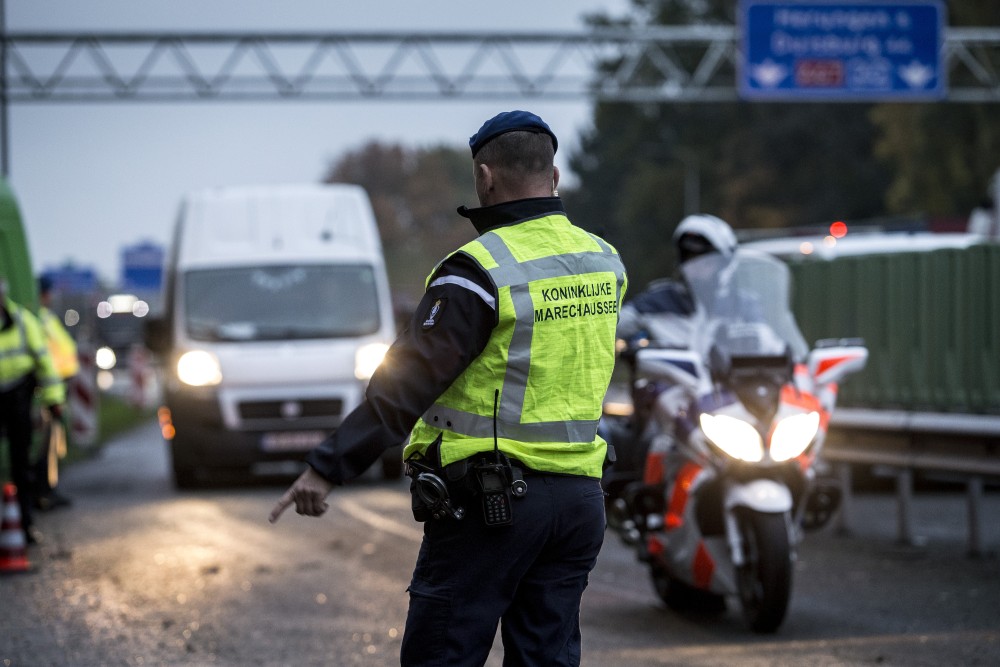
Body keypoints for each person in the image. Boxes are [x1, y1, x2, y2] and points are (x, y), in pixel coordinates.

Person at [270, 110, 628, 666]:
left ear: (485, 177)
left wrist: (328, 465)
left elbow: (407, 383)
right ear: (554, 177)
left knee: (442, 655)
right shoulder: (604, 262)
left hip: (493, 504)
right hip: (579, 501)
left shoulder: (479, 271)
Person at [611, 214, 737, 476]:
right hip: (670, 404)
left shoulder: (742, 305)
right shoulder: (657, 301)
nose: (696, 266)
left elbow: (772, 342)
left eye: (705, 259)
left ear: (725, 263)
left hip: (729, 401)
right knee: (657, 443)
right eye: (690, 258)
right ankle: (654, 494)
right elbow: (609, 325)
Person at [0, 279, 66, 544]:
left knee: (21, 463)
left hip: (18, 397)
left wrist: (53, 400)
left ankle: (24, 525)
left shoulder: (23, 321)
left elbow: (45, 363)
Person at [32, 275, 79, 511]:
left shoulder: (45, 317)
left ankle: (48, 489)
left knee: (53, 443)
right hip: (50, 390)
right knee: (46, 445)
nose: (50, 296)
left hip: (58, 387)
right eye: (47, 292)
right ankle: (44, 492)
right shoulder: (38, 319)